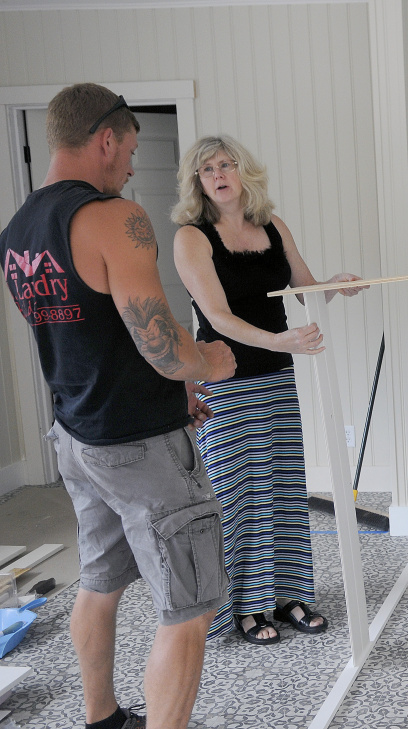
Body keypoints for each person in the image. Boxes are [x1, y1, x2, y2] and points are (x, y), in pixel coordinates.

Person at [0, 83, 236, 729]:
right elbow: (161, 344)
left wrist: (172, 382)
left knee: (98, 584)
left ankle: (102, 718)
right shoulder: (112, 217)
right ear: (106, 139)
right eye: (130, 148)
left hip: (79, 438)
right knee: (189, 607)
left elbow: (91, 335)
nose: (133, 164)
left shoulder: (16, 230)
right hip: (142, 447)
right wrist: (208, 361)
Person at [170, 135, 364, 645]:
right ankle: (242, 608)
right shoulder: (191, 238)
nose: (218, 173)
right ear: (198, 182)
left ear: (243, 171)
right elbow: (216, 315)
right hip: (226, 377)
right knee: (236, 498)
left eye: (226, 164)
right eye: (207, 168)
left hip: (277, 374)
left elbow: (302, 285)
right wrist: (278, 338)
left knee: (280, 490)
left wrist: (334, 285)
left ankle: (288, 596)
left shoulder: (272, 226)